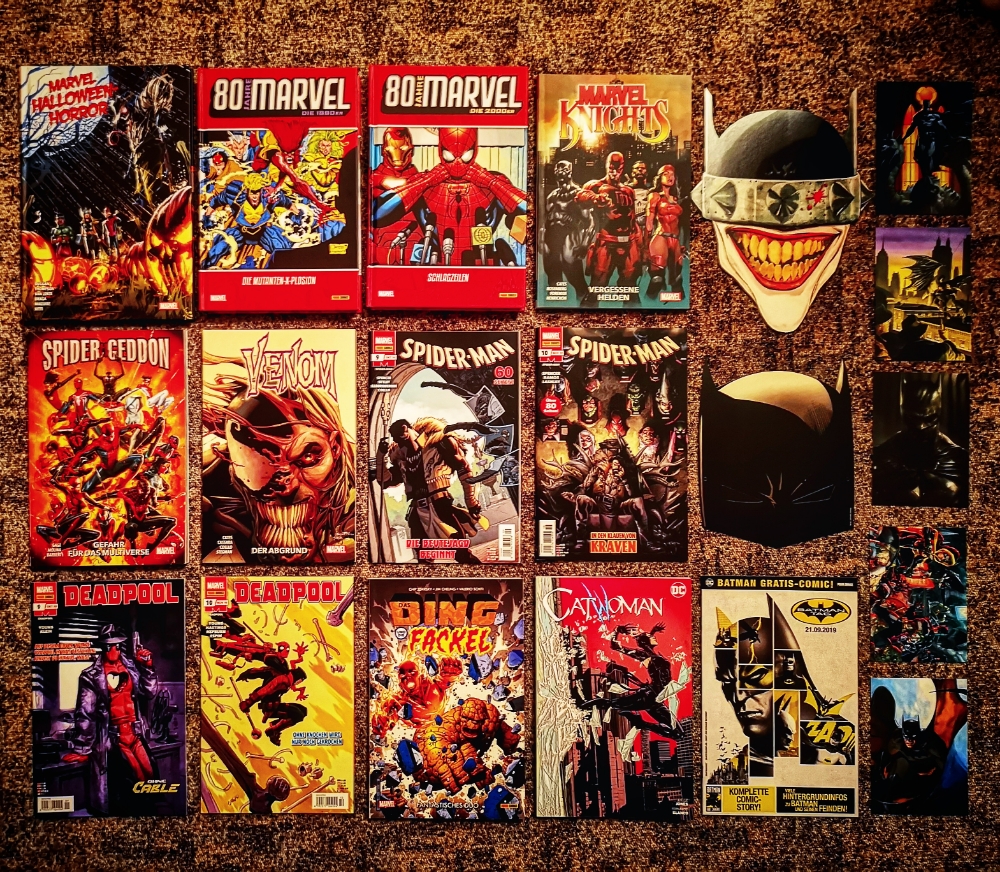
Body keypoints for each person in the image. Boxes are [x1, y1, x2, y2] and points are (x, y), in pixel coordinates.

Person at [62, 625, 158, 814]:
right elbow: (86, 712)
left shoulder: (131, 668)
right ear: (102, 647)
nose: (113, 651)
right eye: (108, 646)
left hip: (135, 733)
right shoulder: (91, 676)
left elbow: (149, 692)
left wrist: (147, 668)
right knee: (136, 779)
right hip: (114, 738)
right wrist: (82, 748)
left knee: (150, 775)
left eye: (117, 646)